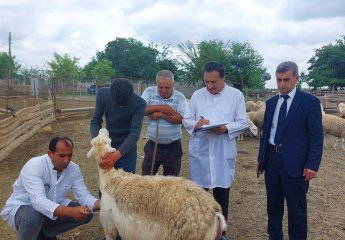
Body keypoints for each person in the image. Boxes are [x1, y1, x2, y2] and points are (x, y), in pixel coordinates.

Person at [257, 61, 323, 240]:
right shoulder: (271, 103)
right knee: (273, 206)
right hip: (272, 161)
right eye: (278, 80)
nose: (281, 84)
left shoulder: (309, 102)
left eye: (286, 80)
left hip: (296, 163)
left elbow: (316, 137)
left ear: (296, 78)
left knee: (297, 210)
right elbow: (266, 133)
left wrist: (312, 164)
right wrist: (260, 158)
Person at [182, 61, 248, 239]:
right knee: (199, 198)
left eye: (214, 82)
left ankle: (221, 233)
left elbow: (243, 122)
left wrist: (226, 128)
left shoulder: (236, 96)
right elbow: (187, 118)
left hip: (222, 153)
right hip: (201, 152)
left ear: (223, 78)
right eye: (207, 81)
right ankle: (200, 232)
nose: (209, 86)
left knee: (221, 197)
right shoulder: (197, 95)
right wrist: (197, 124)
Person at [1, 137, 100, 240]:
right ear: (50, 153)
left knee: (87, 213)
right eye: (62, 156)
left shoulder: (73, 169)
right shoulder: (35, 165)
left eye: (69, 155)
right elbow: (38, 201)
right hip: (25, 207)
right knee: (33, 218)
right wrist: (71, 211)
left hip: (53, 204)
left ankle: (45, 234)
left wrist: (104, 203)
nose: (66, 160)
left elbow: (84, 197)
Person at [90, 78, 147, 173]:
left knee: (125, 187)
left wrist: (116, 155)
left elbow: (134, 134)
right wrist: (99, 143)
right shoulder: (103, 94)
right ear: (111, 94)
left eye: (124, 104)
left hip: (127, 152)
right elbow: (96, 121)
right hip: (106, 151)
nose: (121, 106)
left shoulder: (139, 104)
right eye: (117, 103)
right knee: (106, 186)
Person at [141, 70, 187, 176]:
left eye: (167, 87)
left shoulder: (180, 97)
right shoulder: (149, 92)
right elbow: (140, 110)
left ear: (173, 84)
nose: (164, 90)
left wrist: (162, 115)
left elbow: (182, 119)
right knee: (147, 180)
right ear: (157, 83)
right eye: (160, 87)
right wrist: (160, 107)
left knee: (171, 183)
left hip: (173, 147)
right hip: (153, 146)